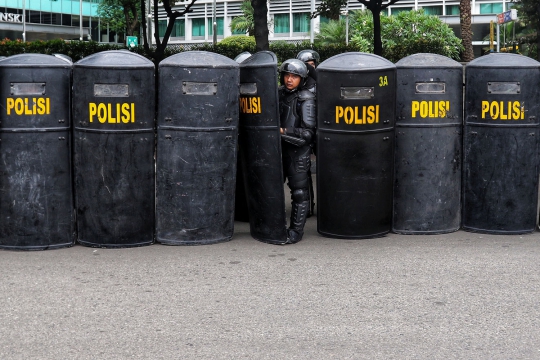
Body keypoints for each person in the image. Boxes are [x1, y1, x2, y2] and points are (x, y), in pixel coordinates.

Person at [278, 59, 316, 244]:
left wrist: (283, 131)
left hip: (297, 152)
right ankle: (274, 227)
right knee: (272, 190)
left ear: (301, 79)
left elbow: (308, 134)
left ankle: (295, 232)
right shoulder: (278, 94)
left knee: (300, 193)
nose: (289, 79)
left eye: (294, 76)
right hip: (278, 151)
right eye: (287, 75)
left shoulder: (306, 98)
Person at [296, 49, 320, 217]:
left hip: (319, 130)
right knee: (302, 170)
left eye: (312, 65)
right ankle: (308, 206)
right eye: (306, 65)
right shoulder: (299, 83)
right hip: (303, 130)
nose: (309, 68)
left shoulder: (321, 83)